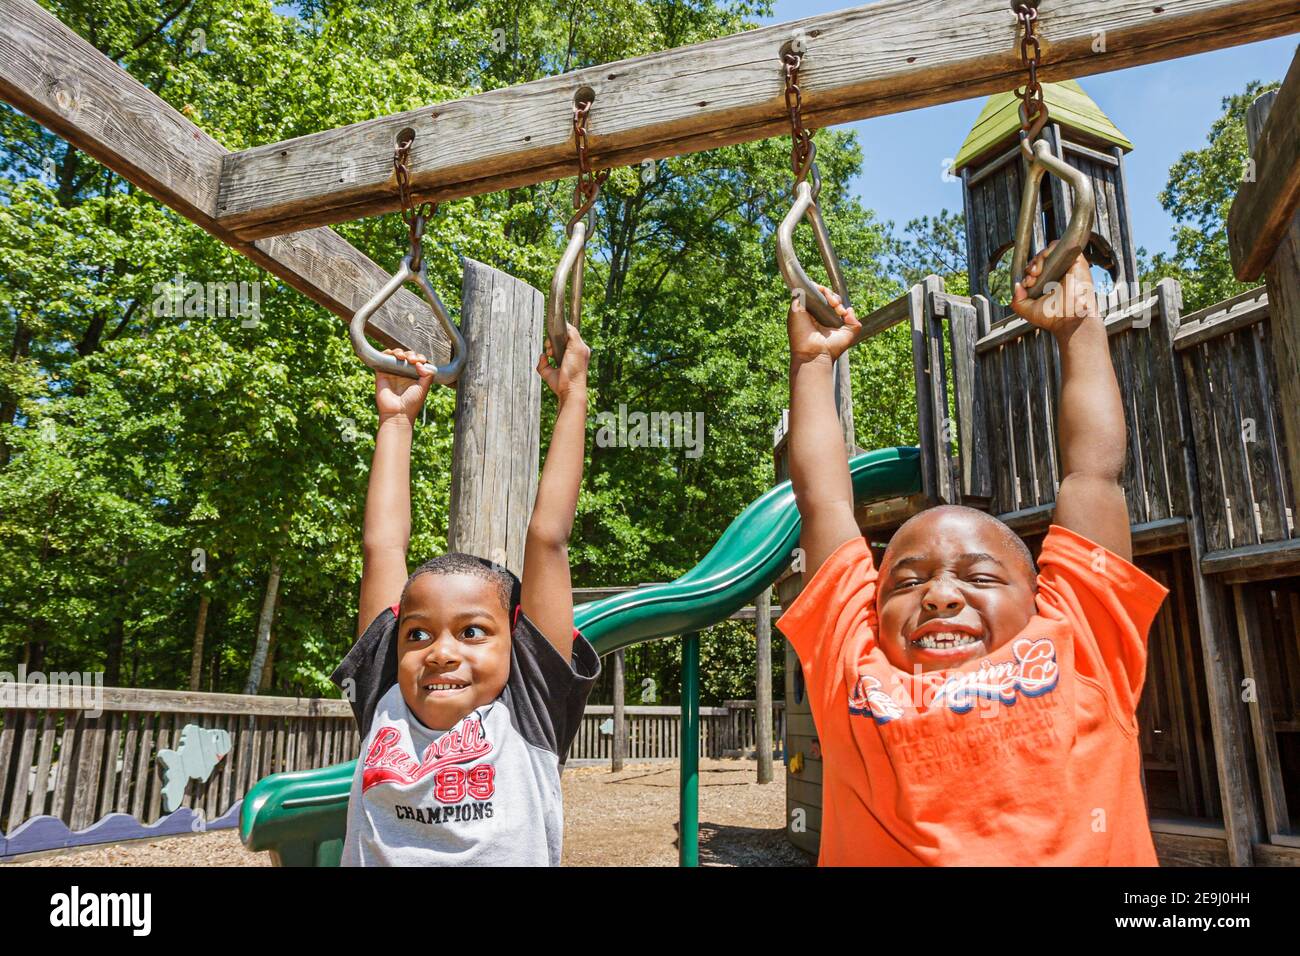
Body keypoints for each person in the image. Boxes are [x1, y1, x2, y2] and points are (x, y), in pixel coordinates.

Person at [778, 246, 1169, 865]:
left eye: (980, 576)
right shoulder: (854, 670)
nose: (938, 594)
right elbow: (823, 501)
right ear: (871, 612)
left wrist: (1081, 327)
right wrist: (811, 364)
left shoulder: (1081, 639)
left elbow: (1093, 476)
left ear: (1039, 596)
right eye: (906, 583)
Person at [332, 324, 599, 866]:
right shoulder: (387, 693)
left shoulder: (529, 706)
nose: (440, 651)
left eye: (472, 631)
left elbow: (548, 539)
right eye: (418, 633)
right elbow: (381, 548)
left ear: (516, 643)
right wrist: (396, 419)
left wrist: (574, 398)